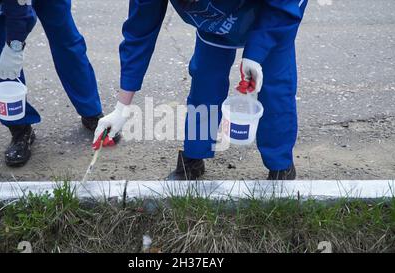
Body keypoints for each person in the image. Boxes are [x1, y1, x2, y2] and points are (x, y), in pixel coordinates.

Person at [94, 0, 308, 180]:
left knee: (275, 87)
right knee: (206, 78)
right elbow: (140, 31)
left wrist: (256, 53)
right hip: (216, 24)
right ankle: (194, 156)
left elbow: (285, 4)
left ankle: (281, 167)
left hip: (272, 15)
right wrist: (122, 108)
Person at [0, 0, 119, 167]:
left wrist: (14, 47)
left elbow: (21, 13)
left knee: (67, 41)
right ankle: (19, 127)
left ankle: (91, 112)